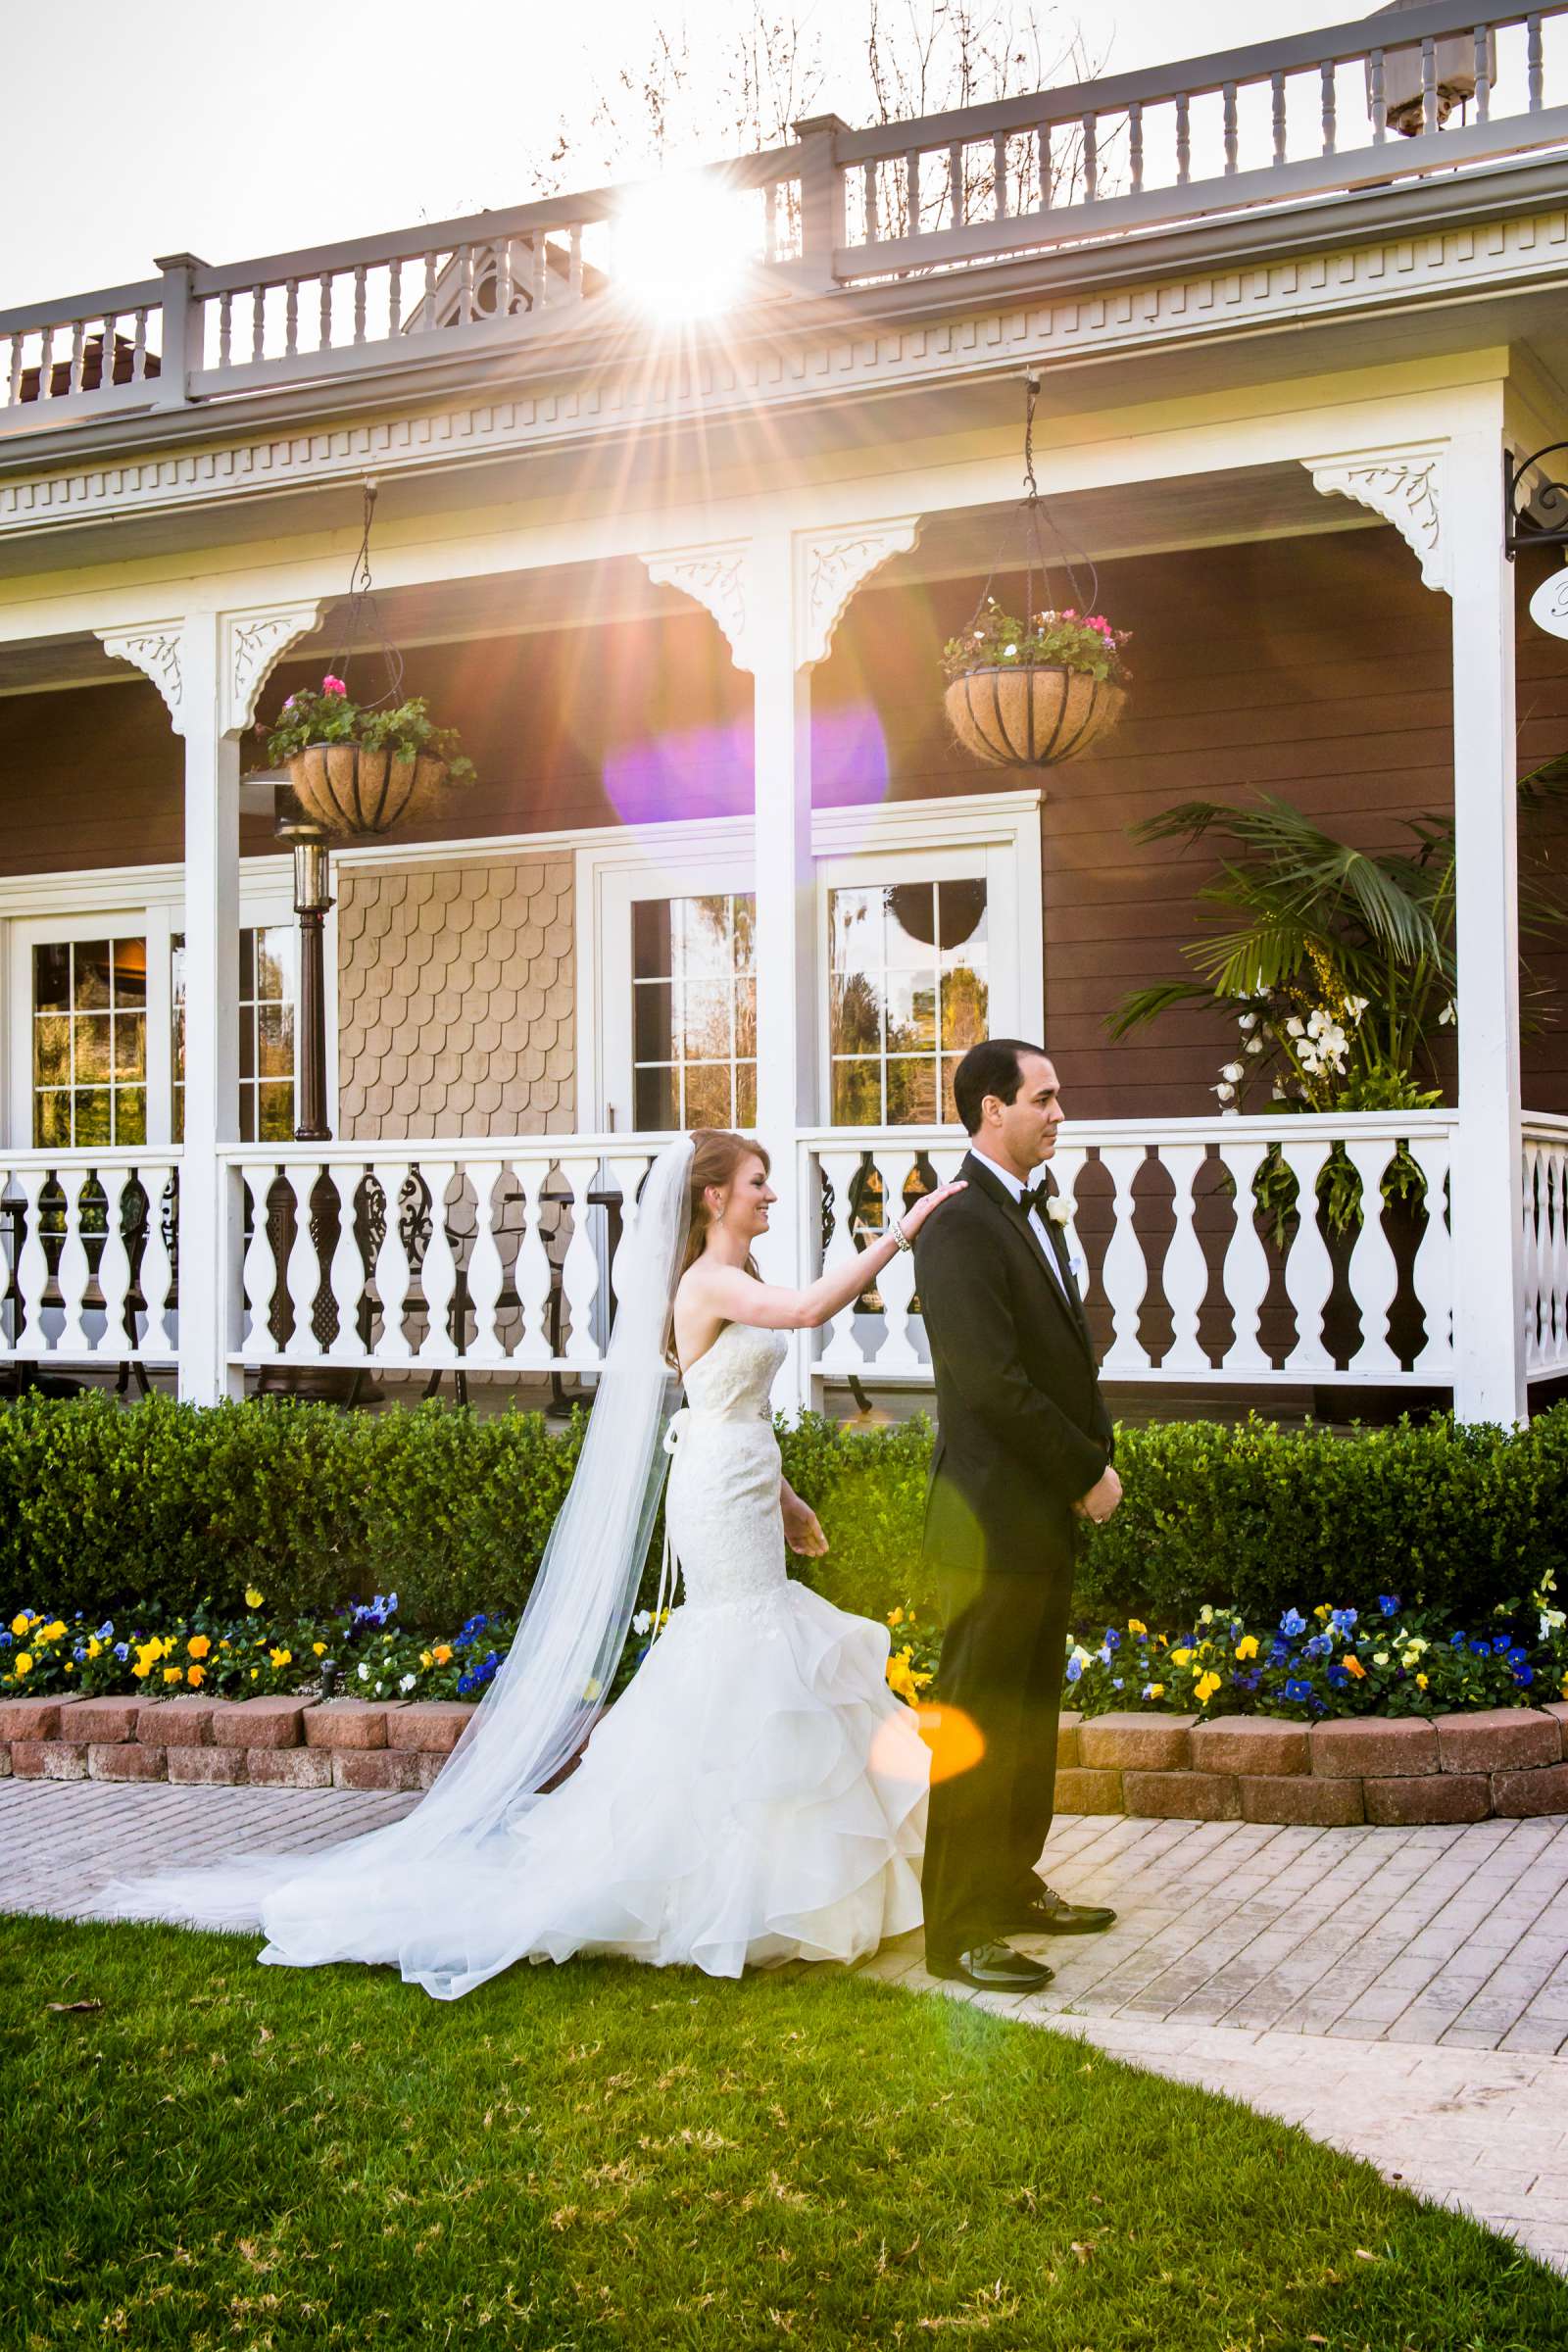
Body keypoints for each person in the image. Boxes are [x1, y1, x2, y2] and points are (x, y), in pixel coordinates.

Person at [98, 1129, 961, 1996]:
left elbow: (727, 1406)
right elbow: (810, 1314)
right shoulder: (707, 1282)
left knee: (764, 1641)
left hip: (740, 1481)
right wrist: (905, 1228)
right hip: (714, 1499)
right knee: (740, 1644)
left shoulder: (740, 1280)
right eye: (757, 1182)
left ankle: (773, 1876)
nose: (769, 1194)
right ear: (713, 1197)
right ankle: (704, 1879)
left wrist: (789, 1499)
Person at [912, 1038, 1122, 1993]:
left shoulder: (1030, 1209)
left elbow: (1057, 1354)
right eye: (1043, 1096)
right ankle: (956, 1929)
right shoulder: (957, 1227)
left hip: (1037, 1514)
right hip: (992, 1517)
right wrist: (1085, 1469)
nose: (1057, 1112)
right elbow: (992, 1387)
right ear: (991, 1108)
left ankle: (1010, 1886)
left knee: (1030, 1713)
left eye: (1058, 1095)